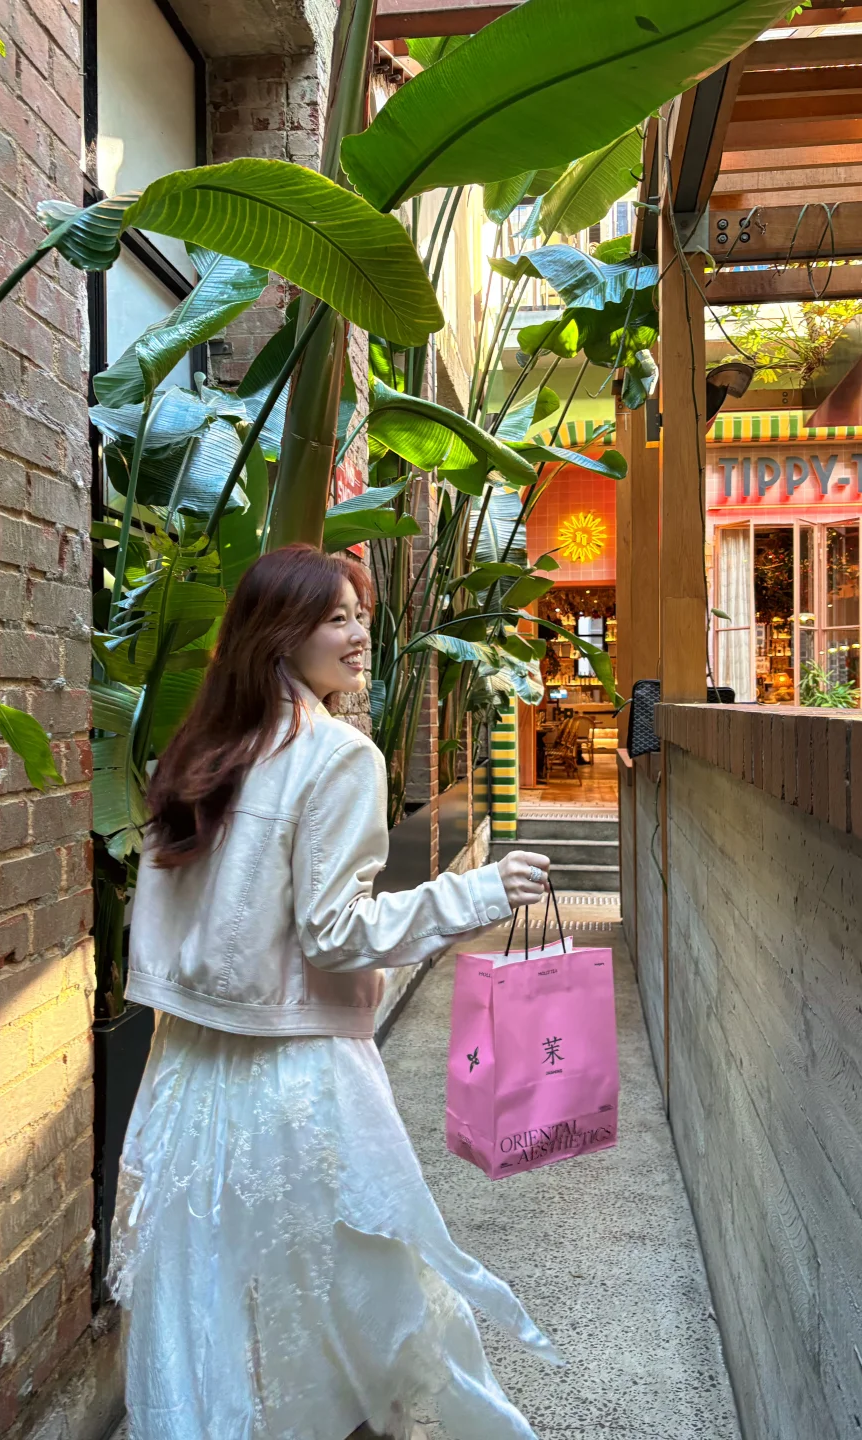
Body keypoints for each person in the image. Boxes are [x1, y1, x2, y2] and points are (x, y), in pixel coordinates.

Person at [109, 544, 561, 1440]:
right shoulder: (336, 755)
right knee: (354, 1312)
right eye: (336, 620)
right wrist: (475, 892)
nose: (360, 637)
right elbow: (335, 932)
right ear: (280, 635)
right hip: (297, 1077)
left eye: (360, 617)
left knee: (211, 1311)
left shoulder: (199, 750)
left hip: (189, 1077)